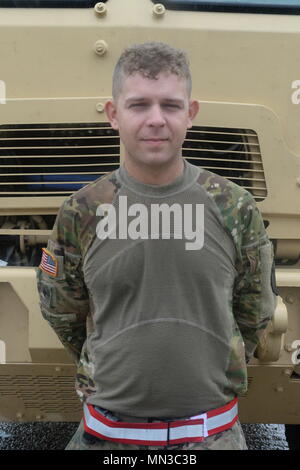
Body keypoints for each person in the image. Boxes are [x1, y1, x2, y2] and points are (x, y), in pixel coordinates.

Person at [37, 42, 277, 450]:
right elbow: (62, 310)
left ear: (191, 113)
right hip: (106, 439)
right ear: (113, 114)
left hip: (212, 437)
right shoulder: (81, 211)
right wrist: (109, 364)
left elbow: (255, 311)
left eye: (170, 105)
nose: (155, 120)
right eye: (138, 105)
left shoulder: (234, 206)